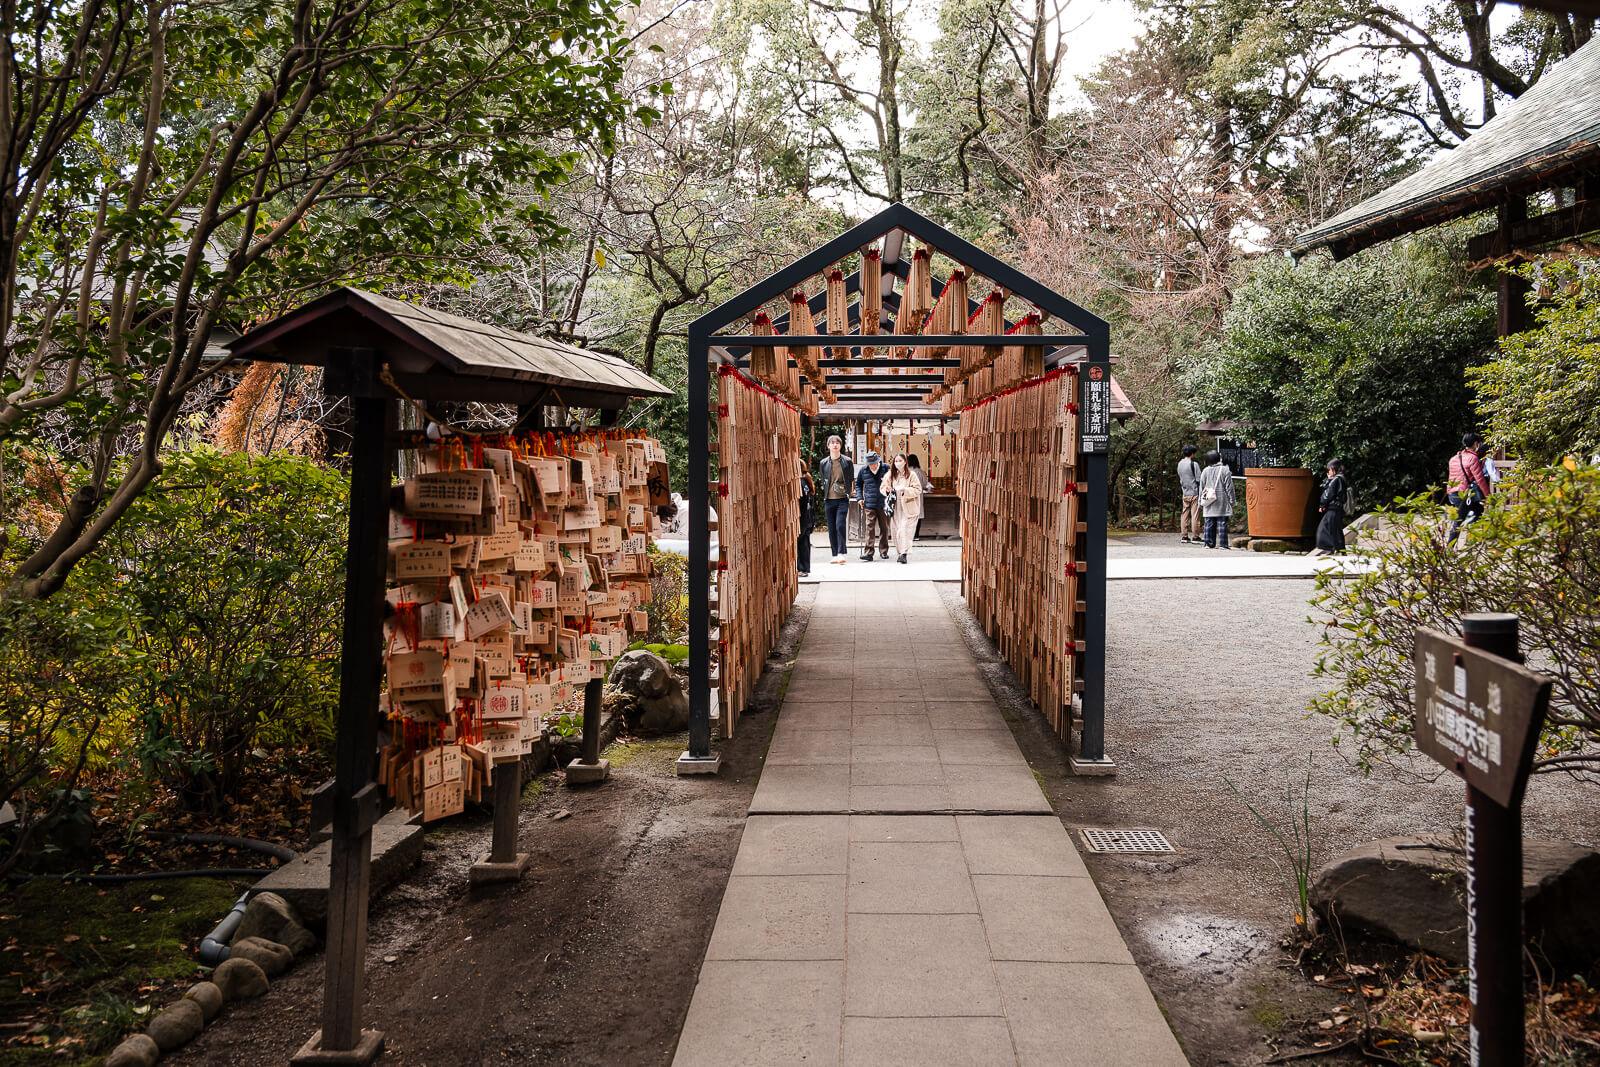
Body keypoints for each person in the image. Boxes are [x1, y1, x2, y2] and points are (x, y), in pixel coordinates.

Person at [1447, 433, 1492, 545]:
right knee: (1459, 520)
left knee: (1477, 509)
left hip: (1453, 493)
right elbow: (1480, 480)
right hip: (1463, 494)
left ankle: (1471, 539)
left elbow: (1451, 478)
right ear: (1476, 444)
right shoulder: (1473, 458)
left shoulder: (1453, 459)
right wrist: (1488, 496)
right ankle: (1450, 548)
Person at [818, 435, 854, 564]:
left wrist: (847, 492)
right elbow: (823, 479)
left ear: (841, 445)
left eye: (837, 443)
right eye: (832, 443)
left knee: (840, 525)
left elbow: (850, 478)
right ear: (828, 446)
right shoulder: (823, 463)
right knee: (832, 527)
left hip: (842, 498)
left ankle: (841, 553)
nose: (835, 445)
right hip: (829, 498)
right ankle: (834, 554)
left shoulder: (847, 461)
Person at [882, 453, 923, 564]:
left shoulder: (912, 475)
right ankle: (900, 552)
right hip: (895, 507)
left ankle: (904, 553)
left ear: (905, 462)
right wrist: (887, 489)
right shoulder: (890, 474)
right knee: (896, 531)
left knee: (904, 529)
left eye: (900, 460)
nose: (898, 463)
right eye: (896, 461)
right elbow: (882, 488)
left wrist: (905, 490)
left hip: (908, 506)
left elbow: (918, 489)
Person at [853, 451, 891, 560]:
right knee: (869, 527)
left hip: (884, 502)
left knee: (884, 527)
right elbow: (858, 484)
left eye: (873, 463)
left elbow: (894, 480)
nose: (872, 466)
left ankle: (883, 551)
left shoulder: (885, 468)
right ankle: (869, 552)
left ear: (878, 461)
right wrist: (859, 498)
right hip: (869, 503)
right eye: (870, 464)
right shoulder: (863, 470)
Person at [1198, 451, 1236, 549]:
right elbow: (1229, 488)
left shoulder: (1205, 471)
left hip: (1208, 500)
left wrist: (1200, 503)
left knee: (1209, 522)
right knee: (1222, 522)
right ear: (1218, 458)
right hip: (1222, 500)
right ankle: (1223, 544)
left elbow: (1201, 488)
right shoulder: (1225, 470)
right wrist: (1232, 501)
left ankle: (1208, 543)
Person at [1313, 459, 1349, 554]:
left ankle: (1333, 548)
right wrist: (1329, 480)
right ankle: (1339, 549)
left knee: (1325, 528)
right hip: (1338, 508)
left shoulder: (1336, 479)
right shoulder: (1341, 478)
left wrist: (1322, 505)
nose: (1328, 472)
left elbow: (1328, 494)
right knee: (1335, 529)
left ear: (1334, 469)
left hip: (1333, 508)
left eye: (1330, 470)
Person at [1176, 445, 1203, 544]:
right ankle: (1195, 536)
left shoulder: (1180, 464)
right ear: (1192, 453)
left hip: (1185, 492)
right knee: (1195, 515)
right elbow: (1199, 479)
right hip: (1194, 492)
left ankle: (1184, 536)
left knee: (1184, 514)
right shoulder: (1194, 464)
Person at [905, 453, 933, 540]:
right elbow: (925, 483)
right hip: (918, 495)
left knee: (909, 515)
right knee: (918, 515)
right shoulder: (920, 472)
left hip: (908, 495)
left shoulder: (906, 471)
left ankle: (909, 535)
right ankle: (916, 535)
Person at [797, 471, 816, 576]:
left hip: (802, 517)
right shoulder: (806, 481)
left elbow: (802, 501)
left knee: (799, 542)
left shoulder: (800, 482)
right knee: (804, 543)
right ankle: (805, 568)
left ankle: (800, 568)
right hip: (808, 517)